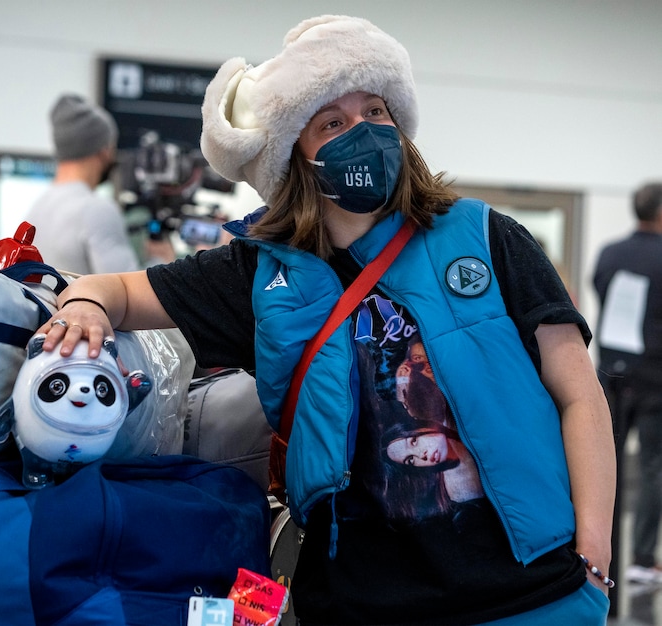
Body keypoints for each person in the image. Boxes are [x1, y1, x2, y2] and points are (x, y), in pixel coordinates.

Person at [37, 15, 616, 625]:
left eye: (375, 111)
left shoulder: (483, 235)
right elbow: (115, 290)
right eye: (332, 123)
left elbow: (579, 394)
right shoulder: (258, 276)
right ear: (296, 157)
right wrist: (83, 305)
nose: (362, 133)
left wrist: (594, 558)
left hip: (533, 595)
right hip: (357, 603)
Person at [593, 182, 662, 585]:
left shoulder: (609, 253)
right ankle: (640, 558)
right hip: (656, 379)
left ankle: (601, 555)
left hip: (612, 376)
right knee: (652, 466)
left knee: (606, 464)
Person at [26, 93, 140, 274]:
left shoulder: (36, 208)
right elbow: (128, 294)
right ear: (104, 151)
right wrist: (162, 259)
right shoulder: (96, 210)